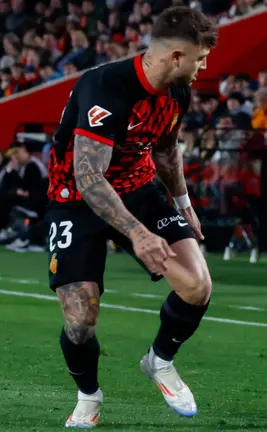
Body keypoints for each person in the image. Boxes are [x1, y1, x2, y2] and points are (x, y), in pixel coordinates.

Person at [45, 7, 217, 428]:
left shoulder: (177, 89)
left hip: (138, 189)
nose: (204, 66)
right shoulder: (105, 85)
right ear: (176, 55)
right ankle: (89, 395)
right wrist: (138, 235)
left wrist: (184, 207)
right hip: (76, 197)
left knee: (197, 286)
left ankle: (159, 360)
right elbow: (89, 177)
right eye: (200, 57)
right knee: (80, 319)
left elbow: (165, 151)